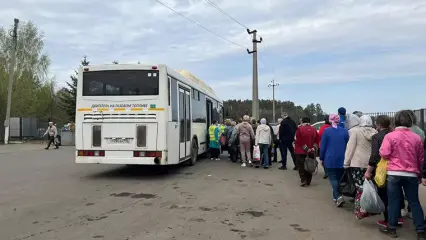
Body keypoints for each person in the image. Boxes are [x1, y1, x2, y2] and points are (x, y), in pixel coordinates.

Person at [379, 110, 425, 239]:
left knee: (393, 201)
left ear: (396, 121)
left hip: (394, 172)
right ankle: (420, 230)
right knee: (414, 201)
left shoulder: (390, 136)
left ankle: (392, 228)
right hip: (412, 173)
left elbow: (384, 153)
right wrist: (420, 174)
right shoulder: (417, 138)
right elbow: (421, 158)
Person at [364, 115, 404, 228]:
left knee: (384, 195)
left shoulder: (377, 137)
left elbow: (374, 156)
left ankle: (388, 220)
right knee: (396, 193)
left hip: (382, 169)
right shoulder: (395, 134)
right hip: (397, 167)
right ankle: (398, 216)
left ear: (379, 125)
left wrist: (368, 171)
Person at [344, 115, 378, 219]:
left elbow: (350, 148)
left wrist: (346, 163)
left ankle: (360, 209)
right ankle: (370, 207)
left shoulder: (355, 132)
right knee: (370, 186)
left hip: (357, 163)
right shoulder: (375, 132)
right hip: (371, 164)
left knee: (359, 187)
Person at [320, 114, 349, 207]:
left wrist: (321, 157)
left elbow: (323, 146)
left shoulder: (327, 131)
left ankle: (339, 196)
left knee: (333, 178)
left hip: (330, 158)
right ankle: (335, 197)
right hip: (342, 158)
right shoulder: (345, 131)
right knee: (339, 178)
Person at [294, 117, 319, 187]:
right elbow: (317, 140)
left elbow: (298, 140)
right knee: (309, 165)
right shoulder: (313, 129)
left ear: (302, 121)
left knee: (301, 166)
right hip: (311, 151)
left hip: (300, 151)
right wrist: (313, 148)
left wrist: (306, 148)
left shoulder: (299, 129)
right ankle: (308, 180)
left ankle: (303, 180)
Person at [318, 115, 331, 179]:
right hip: (331, 146)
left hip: (323, 146)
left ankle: (326, 172)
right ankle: (329, 171)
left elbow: (319, 136)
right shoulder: (333, 127)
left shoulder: (322, 127)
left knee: (323, 160)